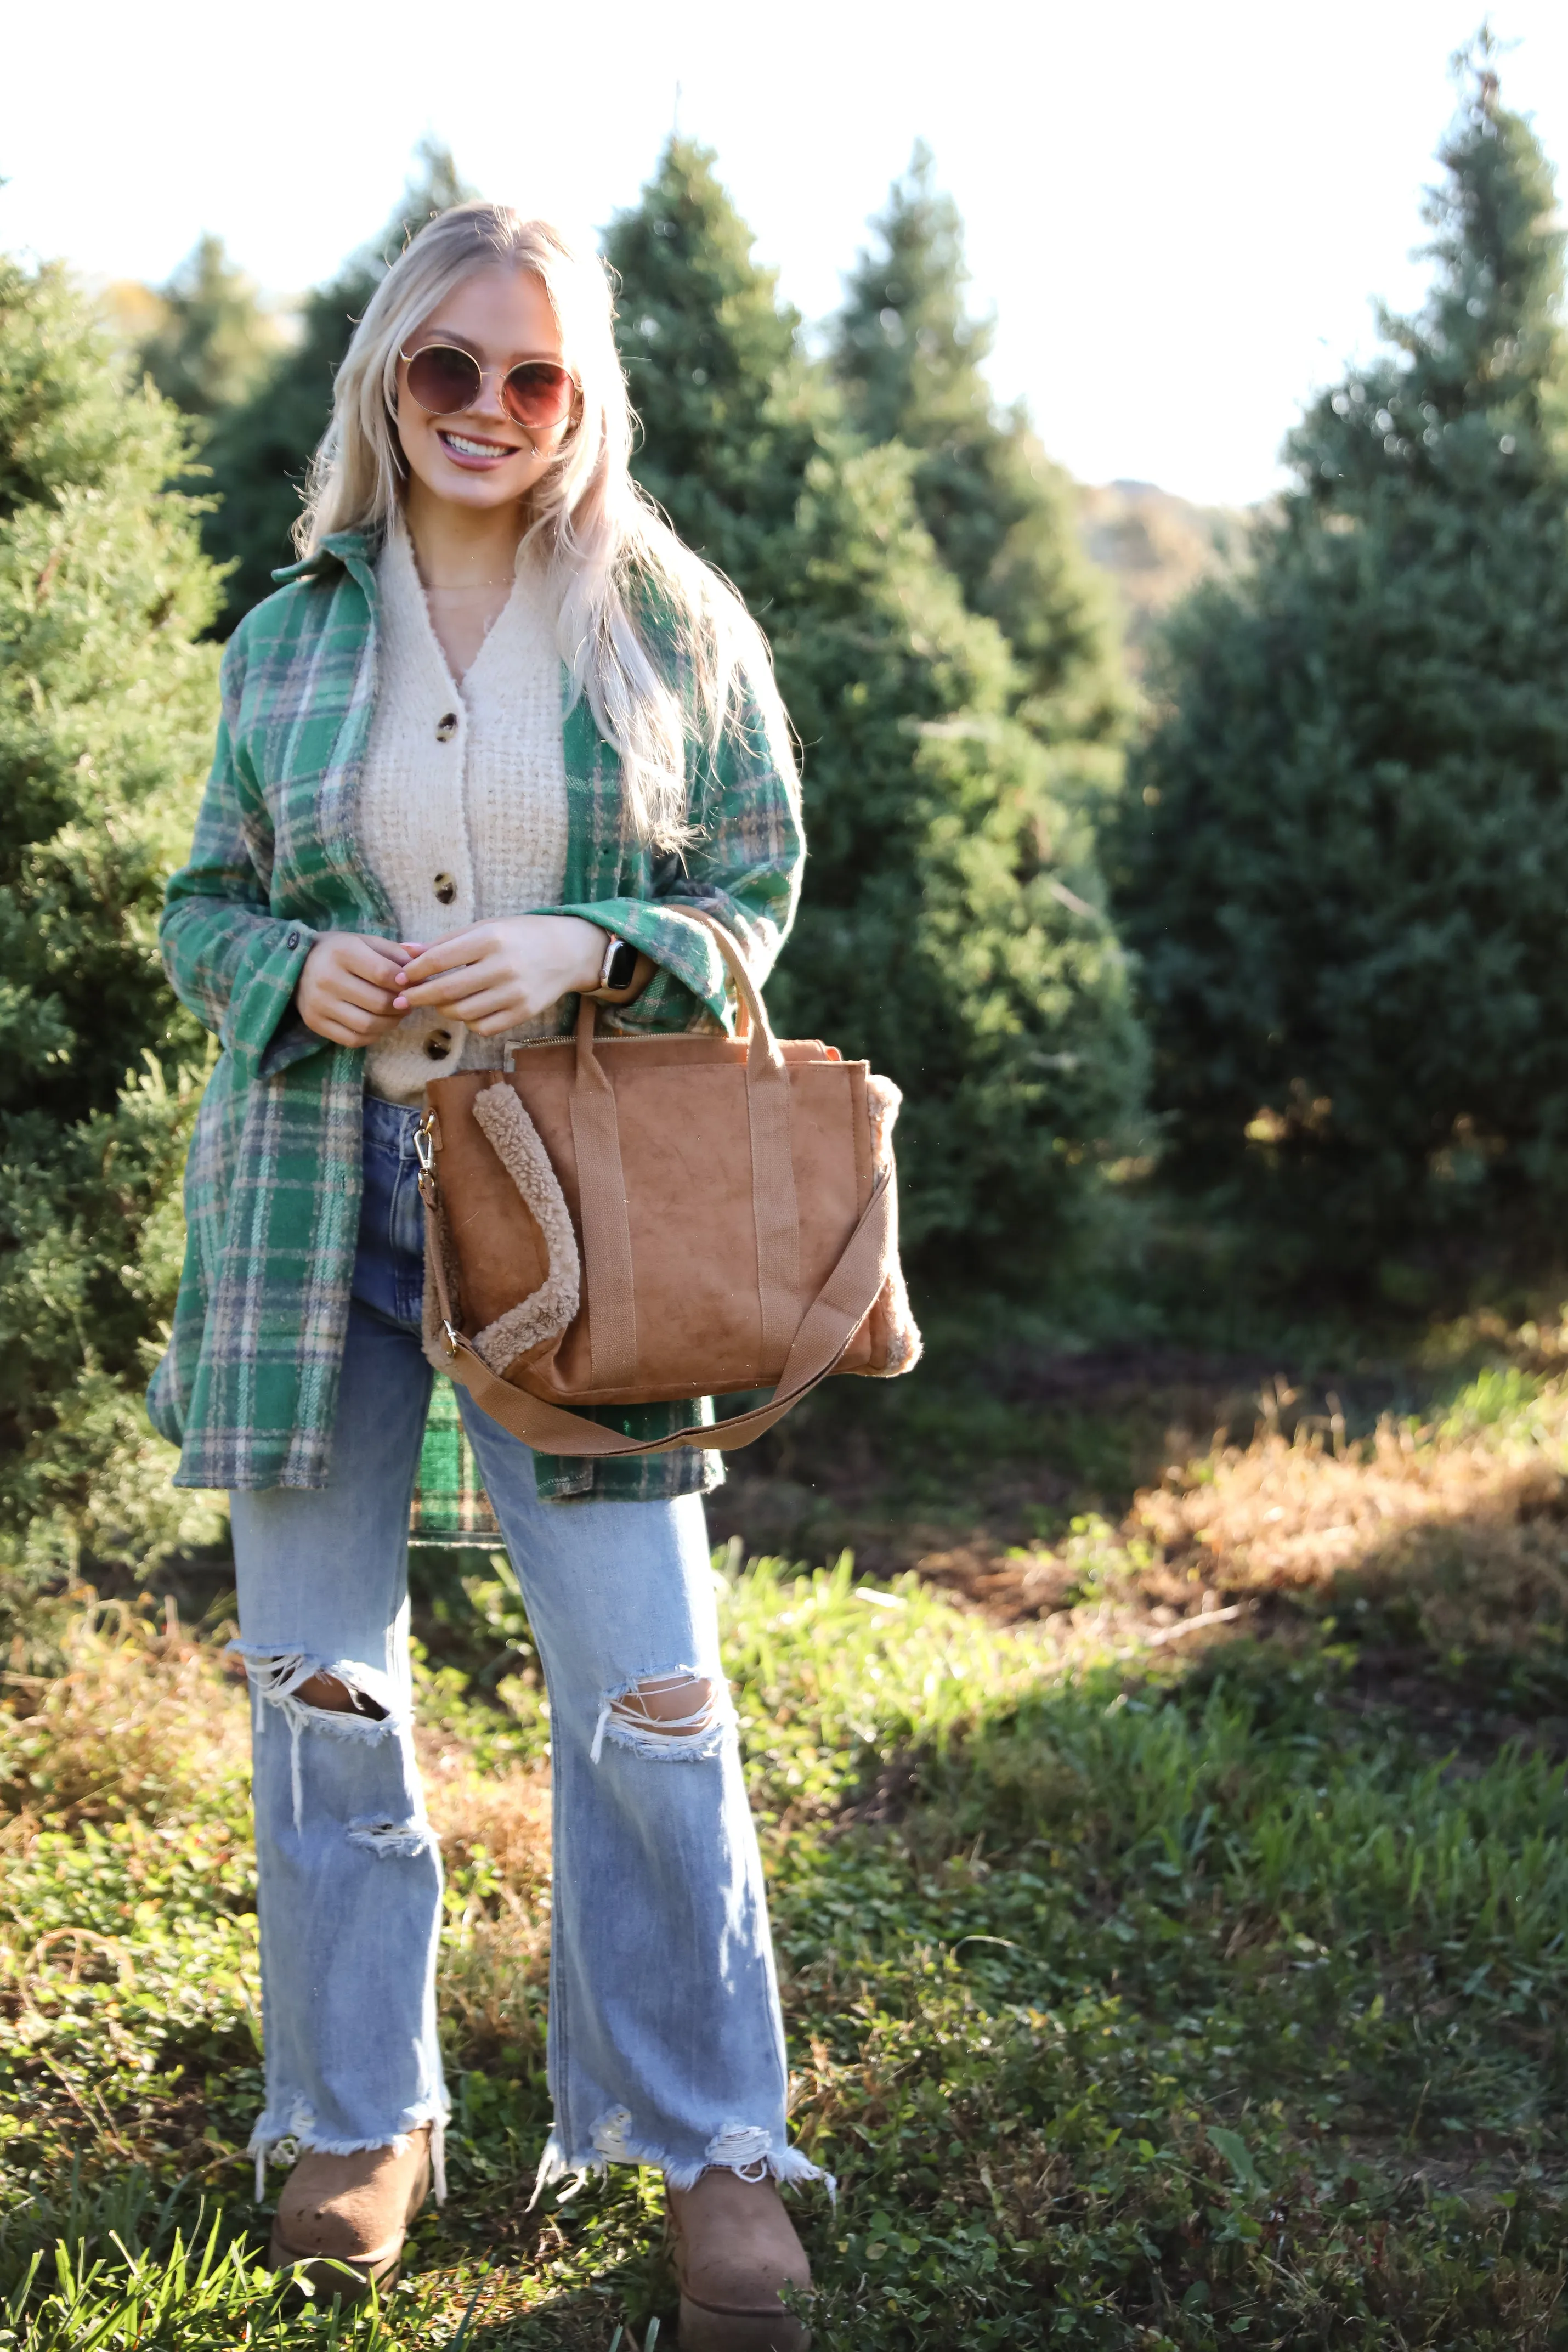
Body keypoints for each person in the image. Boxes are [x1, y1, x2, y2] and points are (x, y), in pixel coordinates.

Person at [150, 200, 823, 2349]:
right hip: (311, 1201)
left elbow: (761, 887)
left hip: (578, 1216)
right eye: (449, 368)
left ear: (583, 396)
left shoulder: (663, 619)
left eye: (536, 377)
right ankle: (360, 2112)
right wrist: (294, 963)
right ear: (385, 378)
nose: (490, 413)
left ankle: (713, 2138)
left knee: (654, 1689)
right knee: (319, 1677)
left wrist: (590, 943)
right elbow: (198, 906)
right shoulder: (287, 638)